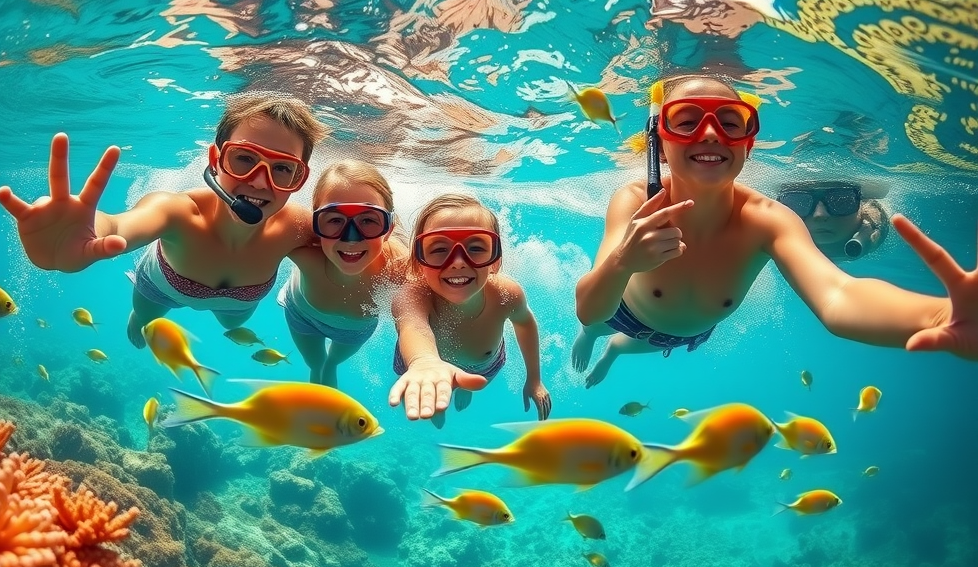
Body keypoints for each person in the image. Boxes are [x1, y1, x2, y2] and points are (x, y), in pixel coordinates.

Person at [570, 74, 977, 387]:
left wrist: (940, 313)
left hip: (690, 331)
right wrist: (623, 262)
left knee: (627, 346)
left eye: (731, 123)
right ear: (659, 139)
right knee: (596, 328)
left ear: (748, 144)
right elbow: (590, 308)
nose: (710, 133)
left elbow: (839, 295)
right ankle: (593, 344)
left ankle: (610, 354)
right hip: (621, 310)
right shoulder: (635, 201)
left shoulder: (768, 219)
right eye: (686, 121)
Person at [0, 92, 330, 348]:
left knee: (231, 326)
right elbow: (120, 225)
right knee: (142, 320)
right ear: (215, 159)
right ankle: (138, 318)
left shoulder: (298, 228)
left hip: (237, 304)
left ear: (299, 179)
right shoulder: (177, 211)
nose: (259, 181)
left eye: (283, 169)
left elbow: (359, 240)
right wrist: (86, 230)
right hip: (161, 289)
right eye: (244, 159)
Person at [387, 194, 552, 426]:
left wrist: (534, 379)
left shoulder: (507, 294)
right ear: (418, 261)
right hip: (421, 366)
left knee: (472, 384)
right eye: (439, 249)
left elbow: (525, 322)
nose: (457, 261)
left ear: (495, 260)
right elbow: (413, 325)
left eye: (475, 248)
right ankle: (441, 388)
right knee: (423, 398)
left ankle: (463, 387)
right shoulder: (413, 296)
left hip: (483, 367)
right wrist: (423, 362)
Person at [280, 160, 409, 387]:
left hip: (353, 332)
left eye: (368, 220)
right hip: (302, 317)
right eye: (335, 220)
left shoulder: (397, 264)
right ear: (316, 225)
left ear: (388, 229)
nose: (351, 237)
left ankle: (330, 366)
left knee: (331, 362)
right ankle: (321, 367)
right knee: (315, 362)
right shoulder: (306, 251)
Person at [777, 179, 890, 261]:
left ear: (860, 205)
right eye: (798, 203)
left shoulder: (871, 219)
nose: (819, 215)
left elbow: (876, 216)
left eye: (841, 201)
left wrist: (867, 232)